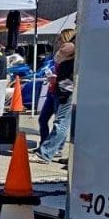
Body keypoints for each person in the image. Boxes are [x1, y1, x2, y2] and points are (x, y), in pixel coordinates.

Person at [33, 32, 76, 164]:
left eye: (59, 40)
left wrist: (63, 52)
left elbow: (58, 57)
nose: (58, 43)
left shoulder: (73, 46)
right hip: (59, 89)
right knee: (52, 121)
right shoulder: (74, 48)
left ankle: (46, 152)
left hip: (66, 90)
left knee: (61, 123)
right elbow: (58, 58)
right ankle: (49, 148)